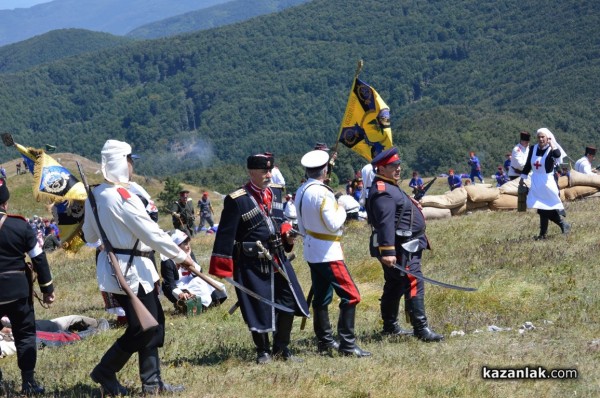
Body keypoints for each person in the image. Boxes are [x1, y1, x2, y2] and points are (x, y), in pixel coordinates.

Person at [82, 139, 197, 395]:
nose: (132, 165)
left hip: (123, 268)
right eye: (130, 160)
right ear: (122, 163)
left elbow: (90, 236)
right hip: (132, 271)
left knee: (152, 322)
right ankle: (106, 370)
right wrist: (181, 256)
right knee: (144, 327)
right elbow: (151, 233)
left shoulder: (96, 195)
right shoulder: (122, 197)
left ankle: (152, 383)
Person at [209, 152, 308, 364]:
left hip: (278, 258)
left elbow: (280, 223)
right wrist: (222, 268)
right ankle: (263, 351)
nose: (268, 174)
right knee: (257, 306)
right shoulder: (237, 200)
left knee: (288, 301)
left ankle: (281, 349)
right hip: (251, 262)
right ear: (251, 172)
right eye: (264, 171)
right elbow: (226, 235)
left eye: (270, 170)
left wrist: (287, 235)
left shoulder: (276, 194)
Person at [295, 150, 371, 357]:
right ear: (325, 169)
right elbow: (333, 224)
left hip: (312, 249)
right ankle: (347, 344)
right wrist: (344, 207)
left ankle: (325, 341)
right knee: (352, 296)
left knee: (321, 297)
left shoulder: (301, 189)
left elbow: (300, 226)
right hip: (328, 252)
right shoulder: (323, 193)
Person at [366, 147, 443, 342]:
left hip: (405, 244)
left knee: (395, 284)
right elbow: (385, 223)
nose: (398, 169)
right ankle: (421, 329)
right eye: (393, 166)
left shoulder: (390, 185)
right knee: (414, 281)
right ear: (381, 169)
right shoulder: (383, 191)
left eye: (399, 165)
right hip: (401, 247)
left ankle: (390, 326)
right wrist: (388, 251)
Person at [0, 177, 55, 394]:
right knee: (24, 335)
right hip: (18, 292)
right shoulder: (19, 225)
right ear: (5, 203)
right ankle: (28, 383)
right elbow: (39, 259)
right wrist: (47, 289)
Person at [520, 128, 570, 239]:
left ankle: (560, 225)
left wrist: (552, 143)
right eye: (539, 137)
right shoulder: (533, 148)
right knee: (540, 206)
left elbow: (557, 155)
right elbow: (528, 164)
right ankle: (544, 233)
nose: (541, 139)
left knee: (546, 207)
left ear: (548, 137)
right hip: (536, 180)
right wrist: (522, 177)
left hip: (548, 181)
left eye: (543, 137)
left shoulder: (552, 150)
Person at [161, 229, 226, 310]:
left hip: (191, 281)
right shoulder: (167, 261)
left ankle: (206, 305)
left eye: (188, 243)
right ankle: (184, 306)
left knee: (211, 287)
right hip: (178, 286)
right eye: (185, 244)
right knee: (196, 289)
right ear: (176, 246)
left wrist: (190, 261)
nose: (188, 246)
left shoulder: (188, 253)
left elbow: (199, 272)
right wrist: (180, 293)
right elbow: (169, 284)